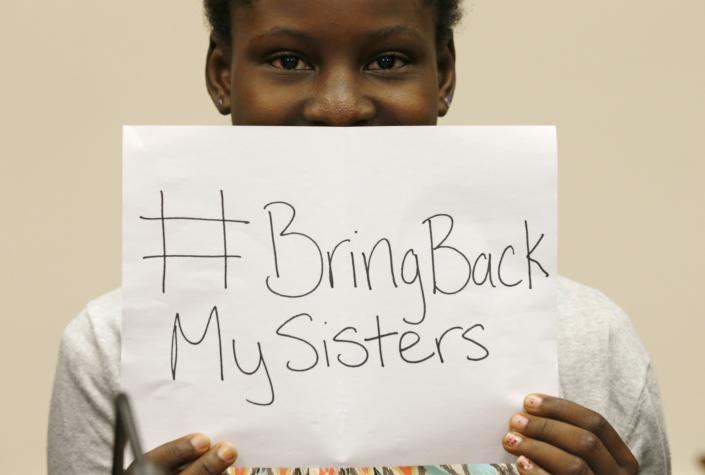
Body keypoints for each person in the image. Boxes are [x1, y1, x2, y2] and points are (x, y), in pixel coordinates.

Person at [47, 1, 671, 474]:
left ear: (444, 73)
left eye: (387, 60)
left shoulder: (589, 342)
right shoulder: (113, 348)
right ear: (222, 74)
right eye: (288, 60)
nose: (341, 105)